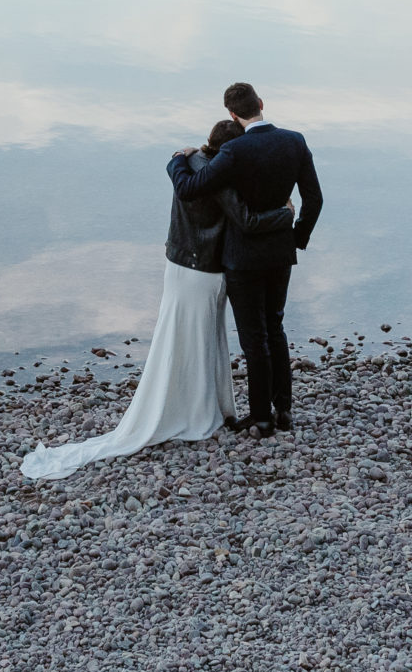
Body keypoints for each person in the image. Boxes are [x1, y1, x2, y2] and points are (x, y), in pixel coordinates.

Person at [19, 120, 284, 479]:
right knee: (197, 338)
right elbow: (246, 219)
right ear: (228, 153)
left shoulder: (189, 165)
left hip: (177, 264)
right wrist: (284, 212)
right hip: (203, 271)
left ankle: (192, 403)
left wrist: (178, 155)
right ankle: (194, 410)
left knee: (180, 337)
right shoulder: (219, 179)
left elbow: (176, 169)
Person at [169, 82, 323, 436]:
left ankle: (261, 417)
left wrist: (178, 160)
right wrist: (296, 238)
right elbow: (314, 200)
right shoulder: (295, 141)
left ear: (233, 115)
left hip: (242, 258)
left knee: (254, 338)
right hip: (280, 254)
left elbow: (189, 189)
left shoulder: (233, 151)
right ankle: (283, 410)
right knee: (276, 328)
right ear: (262, 104)